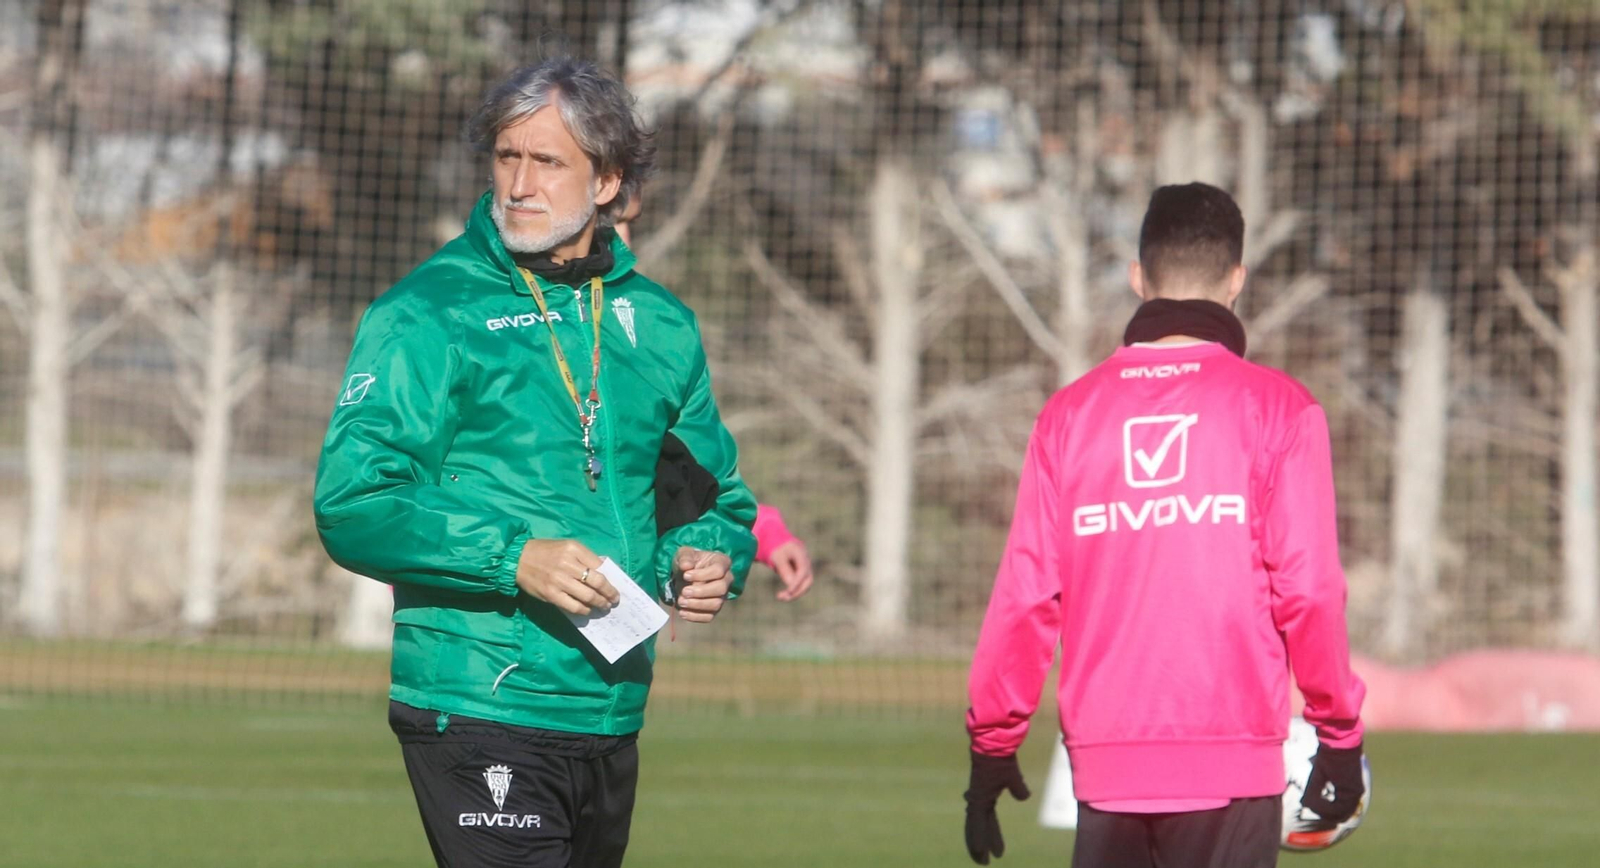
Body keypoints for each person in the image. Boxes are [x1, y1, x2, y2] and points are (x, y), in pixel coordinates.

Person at [313, 57, 757, 868]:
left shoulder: (659, 325)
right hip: (478, 700)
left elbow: (710, 501)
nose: (519, 183)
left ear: (606, 181)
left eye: (547, 161)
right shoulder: (425, 313)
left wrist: (706, 560)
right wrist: (512, 556)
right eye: (506, 157)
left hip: (610, 709)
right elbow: (353, 503)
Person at [962, 183, 1367, 868]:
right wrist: (1340, 732)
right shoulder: (1280, 409)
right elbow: (1310, 589)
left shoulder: (1067, 415)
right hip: (1232, 769)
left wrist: (992, 745)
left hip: (1107, 774)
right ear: (1237, 281)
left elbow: (1026, 597)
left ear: (1138, 279)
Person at [617, 192, 814, 602]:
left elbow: (690, 469)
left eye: (627, 224)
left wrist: (766, 531)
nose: (623, 241)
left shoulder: (657, 330)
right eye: (608, 224)